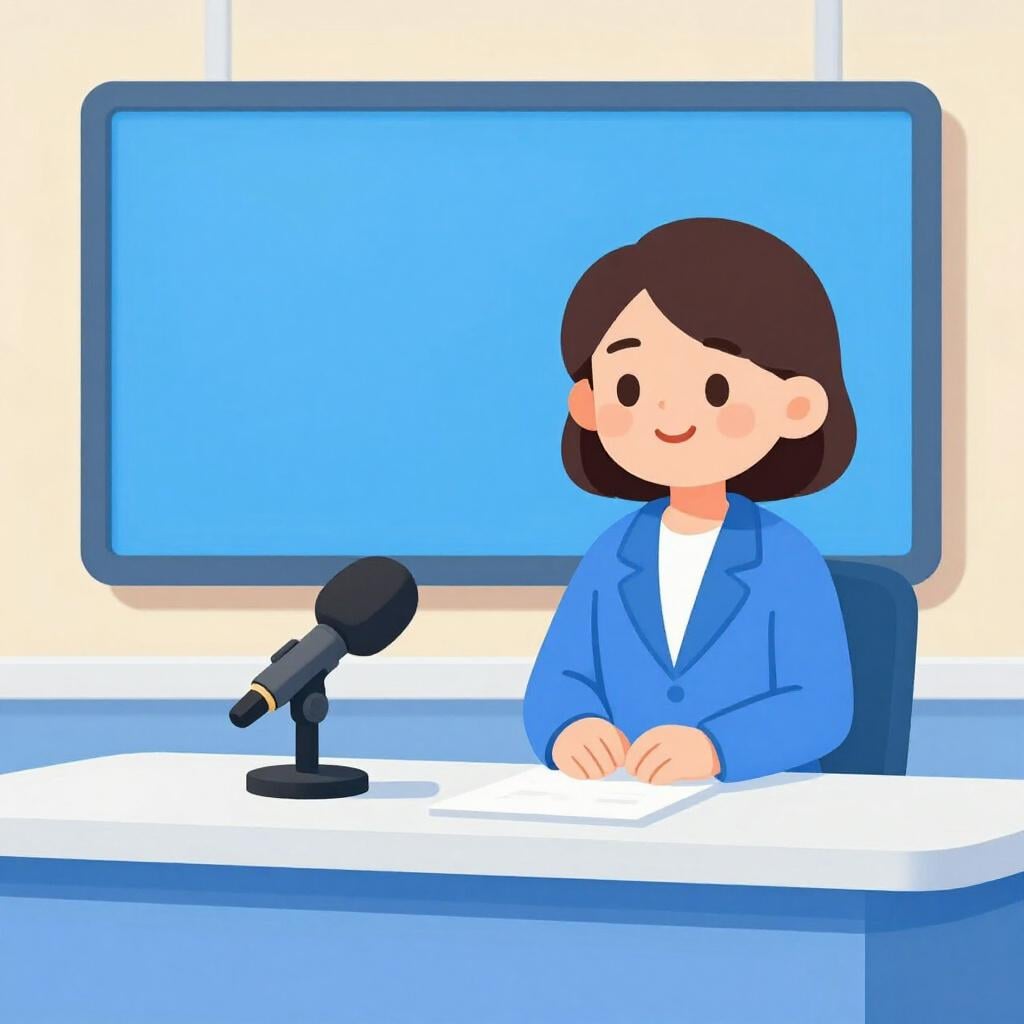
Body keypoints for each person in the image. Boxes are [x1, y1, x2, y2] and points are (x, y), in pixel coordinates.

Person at [523, 217, 856, 785]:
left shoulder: (786, 556)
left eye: (715, 389)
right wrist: (570, 726)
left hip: (766, 804)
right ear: (590, 405)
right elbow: (561, 677)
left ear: (797, 405)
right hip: (630, 806)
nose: (670, 416)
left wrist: (716, 748)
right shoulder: (613, 552)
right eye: (630, 388)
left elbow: (820, 706)